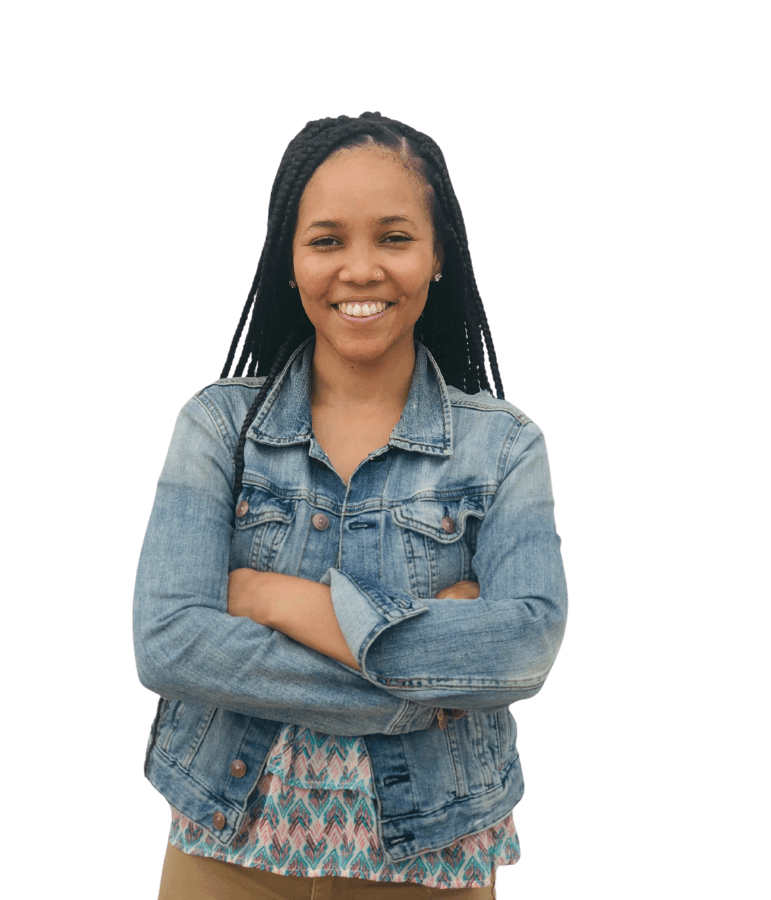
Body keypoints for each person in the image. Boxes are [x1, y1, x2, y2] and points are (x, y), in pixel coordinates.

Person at [132, 111, 568, 899]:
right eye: (327, 240)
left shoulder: (505, 447)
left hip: (433, 852)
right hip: (225, 846)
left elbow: (526, 646)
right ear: (289, 261)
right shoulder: (216, 426)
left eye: (394, 238)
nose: (360, 270)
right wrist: (421, 689)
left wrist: (270, 597)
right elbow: (168, 644)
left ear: (438, 255)